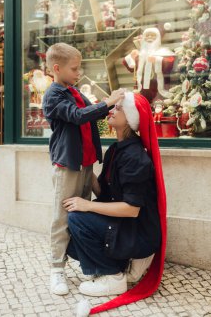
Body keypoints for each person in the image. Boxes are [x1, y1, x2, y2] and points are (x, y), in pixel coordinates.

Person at [64, 91, 167, 315]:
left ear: (130, 119)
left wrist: (87, 205)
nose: (111, 110)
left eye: (118, 108)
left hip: (138, 232)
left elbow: (131, 209)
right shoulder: (116, 150)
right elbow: (104, 192)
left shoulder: (135, 157)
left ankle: (114, 277)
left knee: (77, 219)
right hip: (122, 225)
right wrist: (86, 166)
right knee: (71, 242)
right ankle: (117, 266)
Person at [42, 43, 125, 296]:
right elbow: (78, 116)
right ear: (57, 68)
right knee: (62, 216)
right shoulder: (53, 95)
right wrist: (107, 102)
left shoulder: (73, 90)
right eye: (75, 69)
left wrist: (117, 104)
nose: (79, 73)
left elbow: (93, 113)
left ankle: (89, 264)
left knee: (80, 217)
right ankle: (56, 269)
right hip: (68, 165)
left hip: (85, 164)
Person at [123, 27, 175, 103]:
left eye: (152, 35)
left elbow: (170, 63)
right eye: (147, 35)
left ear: (158, 37)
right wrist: (131, 56)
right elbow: (131, 67)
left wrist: (157, 60)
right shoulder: (141, 54)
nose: (149, 37)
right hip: (142, 88)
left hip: (158, 87)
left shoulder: (163, 51)